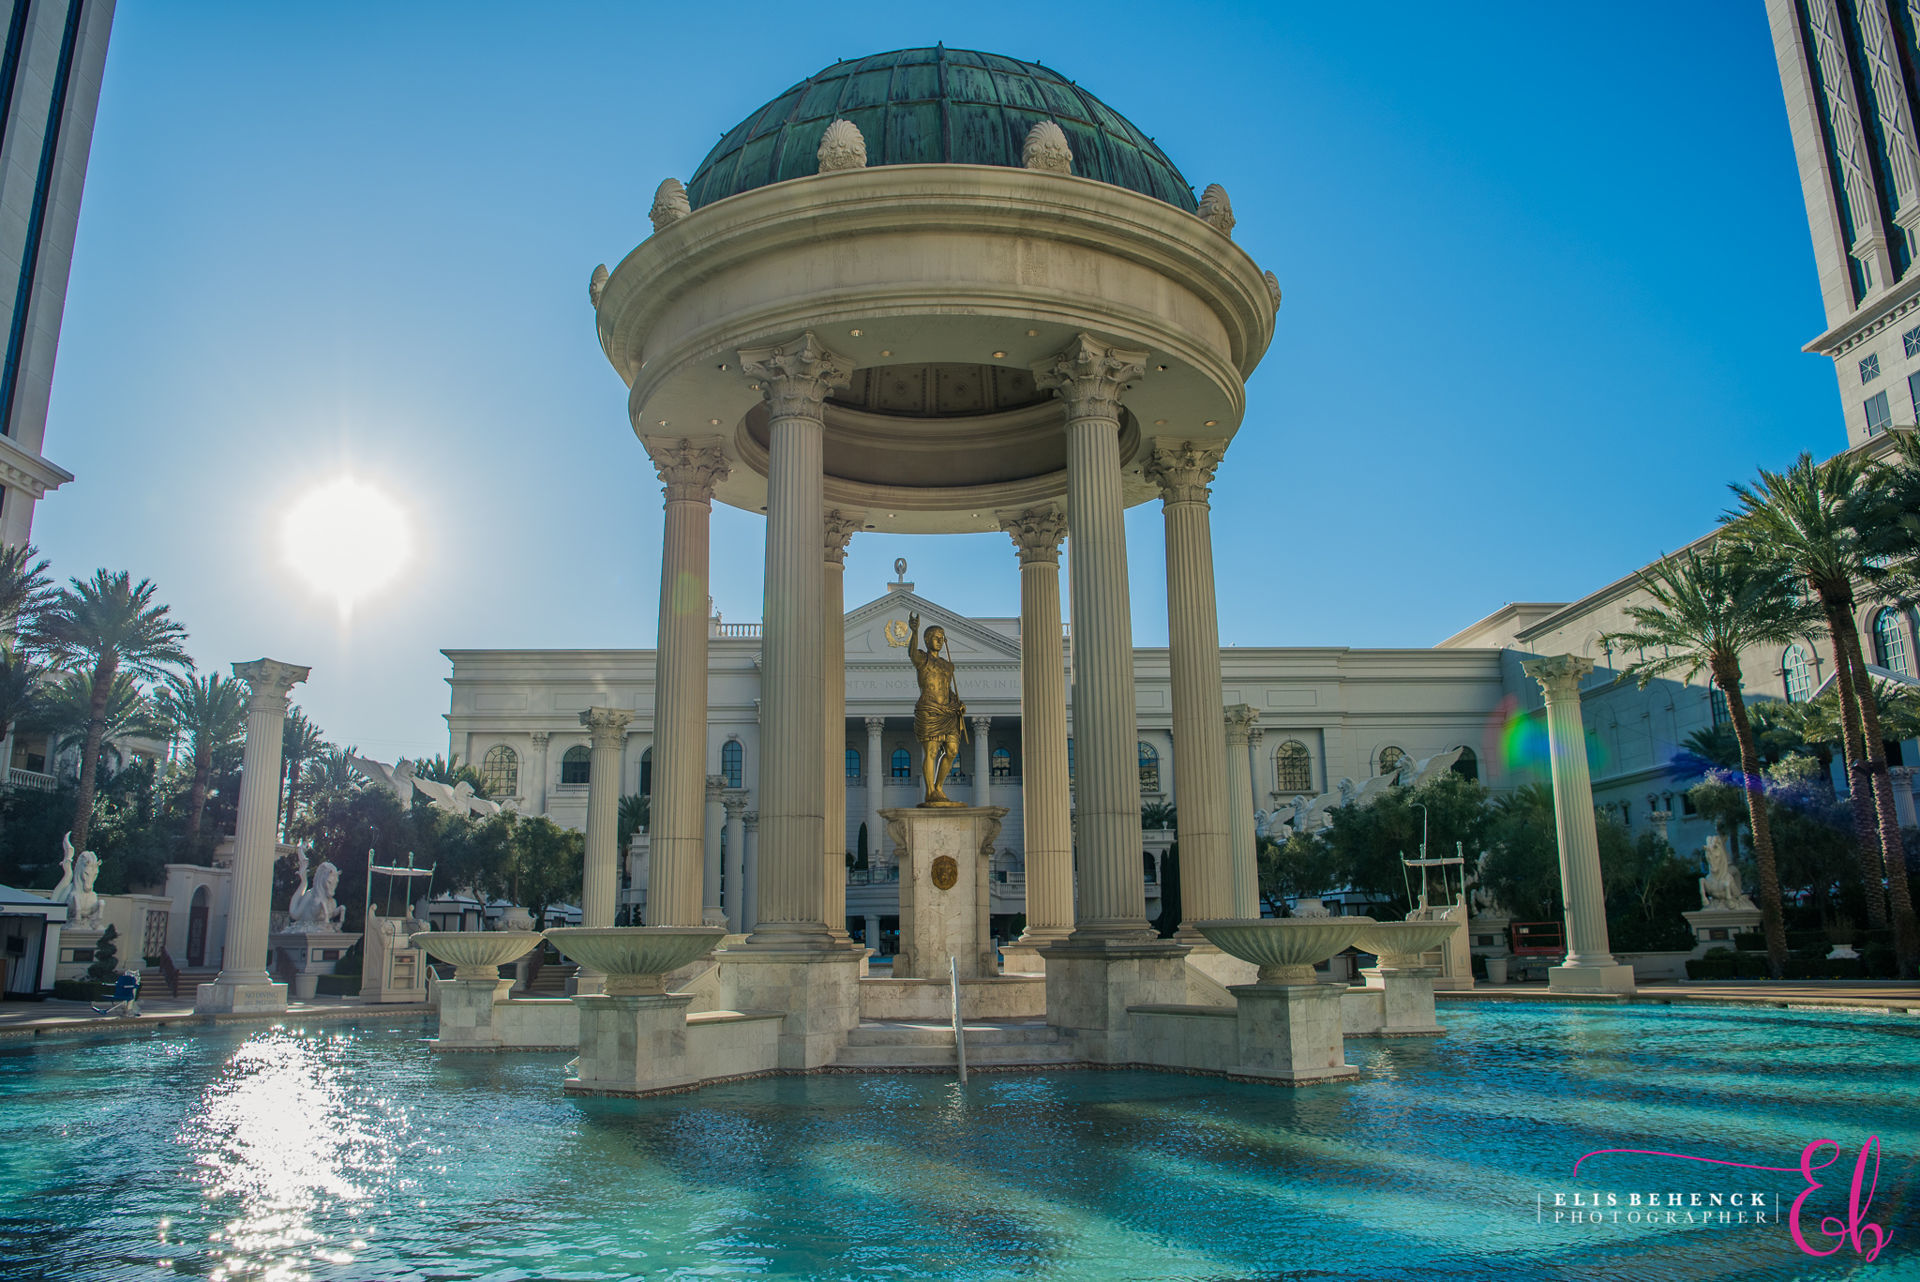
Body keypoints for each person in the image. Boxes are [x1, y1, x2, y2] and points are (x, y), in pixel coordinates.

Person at [906, 612, 966, 806]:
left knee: (952, 750)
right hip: (929, 710)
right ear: (927, 640)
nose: (939, 641)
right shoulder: (922, 660)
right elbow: (911, 653)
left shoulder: (948, 666)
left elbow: (947, 689)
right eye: (935, 638)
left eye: (942, 638)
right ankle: (930, 791)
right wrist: (914, 631)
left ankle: (939, 787)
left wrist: (957, 702)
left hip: (948, 712)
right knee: (931, 751)